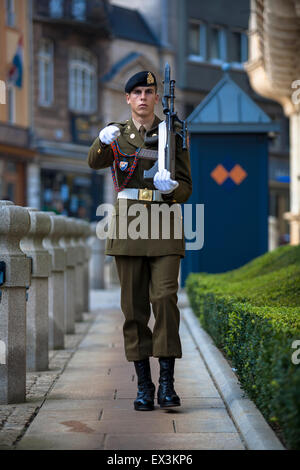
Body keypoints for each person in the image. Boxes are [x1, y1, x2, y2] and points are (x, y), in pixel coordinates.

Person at [87, 70, 192, 411]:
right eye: (137, 92)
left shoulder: (171, 133)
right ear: (128, 99)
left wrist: (172, 189)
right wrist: (102, 141)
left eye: (149, 91)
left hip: (163, 224)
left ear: (157, 97)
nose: (144, 97)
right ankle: (144, 386)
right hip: (129, 226)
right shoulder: (116, 133)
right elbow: (94, 162)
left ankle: (167, 384)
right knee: (133, 309)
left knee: (164, 301)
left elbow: (188, 186)